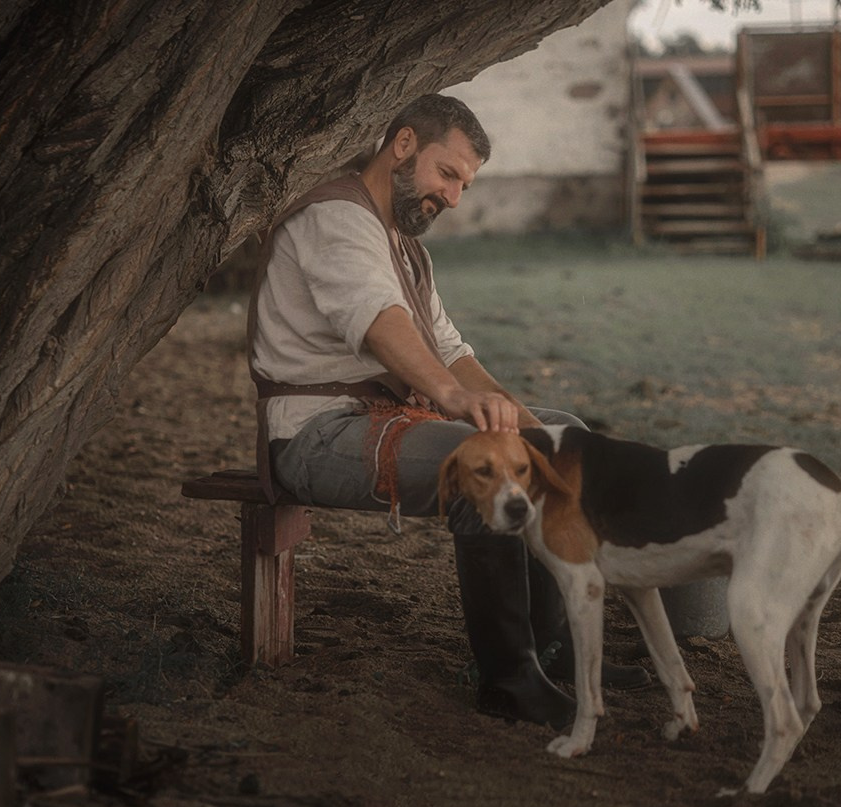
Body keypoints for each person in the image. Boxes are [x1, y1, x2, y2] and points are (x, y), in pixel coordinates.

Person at [247, 94, 648, 729]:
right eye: (448, 174)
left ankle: (555, 649)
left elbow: (451, 350)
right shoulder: (337, 219)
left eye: (464, 182)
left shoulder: (404, 246)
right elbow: (381, 325)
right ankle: (510, 680)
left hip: (387, 419)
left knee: (562, 437)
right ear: (403, 145)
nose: (454, 197)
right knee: (485, 465)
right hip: (315, 435)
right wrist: (458, 403)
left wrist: (525, 419)